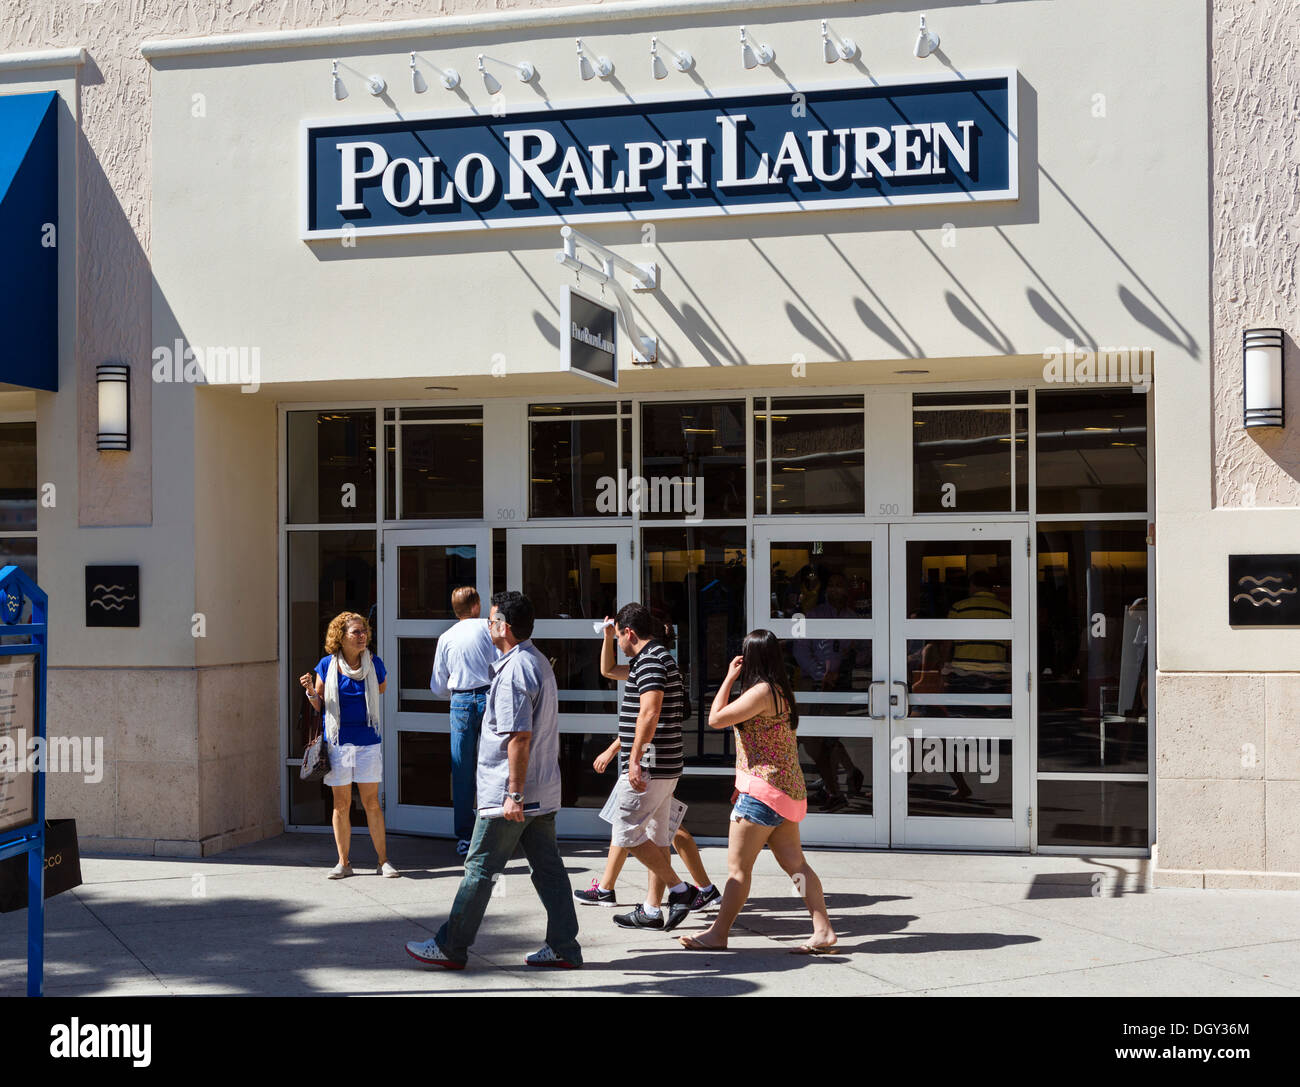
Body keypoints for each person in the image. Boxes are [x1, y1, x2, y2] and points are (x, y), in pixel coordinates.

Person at [405, 591, 582, 969]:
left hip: (511, 795)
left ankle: (451, 945)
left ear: (503, 627)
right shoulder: (534, 661)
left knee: (480, 869)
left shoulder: (516, 669)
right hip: (540, 793)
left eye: (491, 620)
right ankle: (564, 946)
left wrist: (513, 794)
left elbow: (519, 736)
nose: (487, 625)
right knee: (548, 869)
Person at [678, 629, 837, 954]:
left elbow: (715, 718)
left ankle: (718, 934)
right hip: (785, 792)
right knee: (797, 867)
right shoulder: (780, 691)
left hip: (763, 796)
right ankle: (823, 930)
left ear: (751, 659)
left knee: (738, 870)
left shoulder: (761, 692)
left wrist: (727, 677)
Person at [597, 603, 700, 932]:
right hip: (664, 766)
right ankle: (652, 911)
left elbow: (650, 712)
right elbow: (608, 670)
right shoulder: (648, 659)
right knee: (656, 839)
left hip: (652, 766)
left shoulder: (652, 661)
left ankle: (681, 891)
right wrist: (607, 637)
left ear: (629, 633)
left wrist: (635, 759)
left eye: (619, 636)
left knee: (626, 831)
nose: (619, 643)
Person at [298, 612, 400, 879]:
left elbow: (381, 689)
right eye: (356, 632)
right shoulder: (326, 665)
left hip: (367, 742)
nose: (362, 636)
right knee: (341, 804)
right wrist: (310, 690)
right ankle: (344, 863)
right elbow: (319, 704)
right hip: (338, 743)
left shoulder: (374, 663)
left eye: (364, 631)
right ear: (340, 637)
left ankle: (383, 861)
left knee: (372, 803)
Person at [574, 734, 720, 909]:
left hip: (650, 766)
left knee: (639, 828)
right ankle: (608, 889)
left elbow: (646, 720)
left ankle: (693, 890)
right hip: (655, 763)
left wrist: (613, 751)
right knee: (632, 827)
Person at [429, 585, 499, 857]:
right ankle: (493, 831)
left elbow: (437, 685)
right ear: (476, 605)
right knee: (493, 765)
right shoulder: (488, 627)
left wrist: (456, 691)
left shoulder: (446, 637)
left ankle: (465, 836)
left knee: (461, 770)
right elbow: (502, 660)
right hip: (489, 696)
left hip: (459, 701)